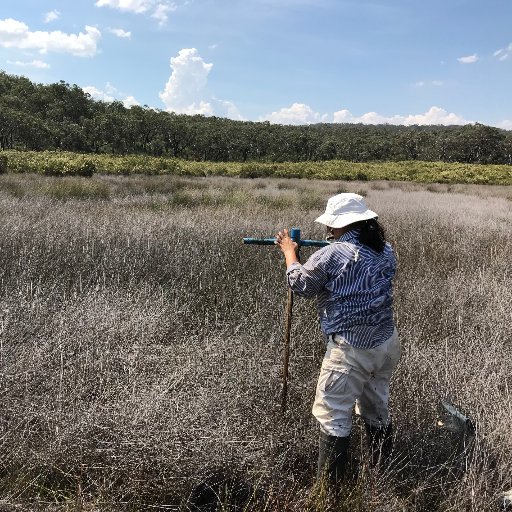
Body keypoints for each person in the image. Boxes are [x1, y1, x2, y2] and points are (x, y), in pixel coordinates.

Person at [275, 193, 401, 485]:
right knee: (376, 405)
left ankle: (331, 492)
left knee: (332, 413)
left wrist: (289, 253)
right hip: (385, 342)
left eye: (332, 225)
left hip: (351, 348)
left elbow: (301, 284)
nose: (328, 230)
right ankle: (382, 472)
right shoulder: (386, 250)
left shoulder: (334, 253)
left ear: (345, 224)